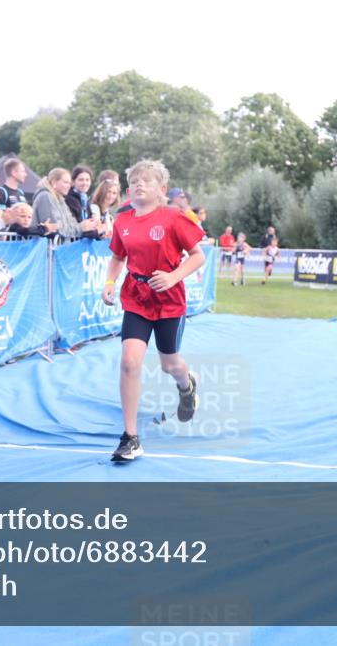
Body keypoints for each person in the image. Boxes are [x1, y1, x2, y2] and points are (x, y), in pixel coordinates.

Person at [102, 160, 206, 462]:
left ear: (161, 189)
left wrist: (173, 276)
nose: (138, 184)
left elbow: (198, 256)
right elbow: (118, 256)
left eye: (145, 180)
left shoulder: (174, 218)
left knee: (170, 364)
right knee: (129, 362)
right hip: (136, 297)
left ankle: (187, 386)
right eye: (134, 180)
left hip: (169, 298)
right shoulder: (122, 220)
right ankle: (130, 437)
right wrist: (110, 281)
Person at [31, 168, 98, 239]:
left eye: (69, 183)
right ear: (54, 182)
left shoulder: (60, 199)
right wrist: (81, 227)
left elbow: (71, 224)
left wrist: (84, 226)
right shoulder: (45, 196)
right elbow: (55, 229)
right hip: (46, 248)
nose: (69, 186)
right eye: (65, 182)